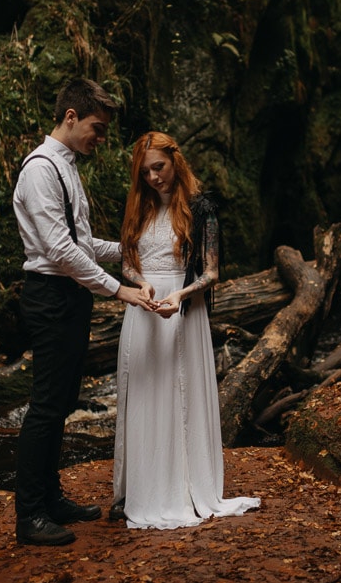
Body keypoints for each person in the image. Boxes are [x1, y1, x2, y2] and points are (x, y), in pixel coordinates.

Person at [12, 79, 157, 546]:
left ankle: (51, 498)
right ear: (70, 117)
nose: (101, 138)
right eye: (96, 128)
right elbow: (57, 250)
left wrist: (134, 252)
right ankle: (30, 514)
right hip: (49, 294)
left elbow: (83, 243)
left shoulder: (68, 168)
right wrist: (121, 291)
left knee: (63, 403)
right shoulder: (39, 170)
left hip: (71, 295)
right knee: (46, 406)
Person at [110, 131, 261, 529]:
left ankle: (181, 485)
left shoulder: (201, 208)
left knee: (177, 395)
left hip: (182, 310)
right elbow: (127, 263)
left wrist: (180, 295)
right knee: (141, 393)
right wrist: (139, 285)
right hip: (143, 312)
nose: (154, 178)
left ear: (175, 160)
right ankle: (136, 489)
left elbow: (211, 273)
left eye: (158, 167)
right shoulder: (137, 209)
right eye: (145, 173)